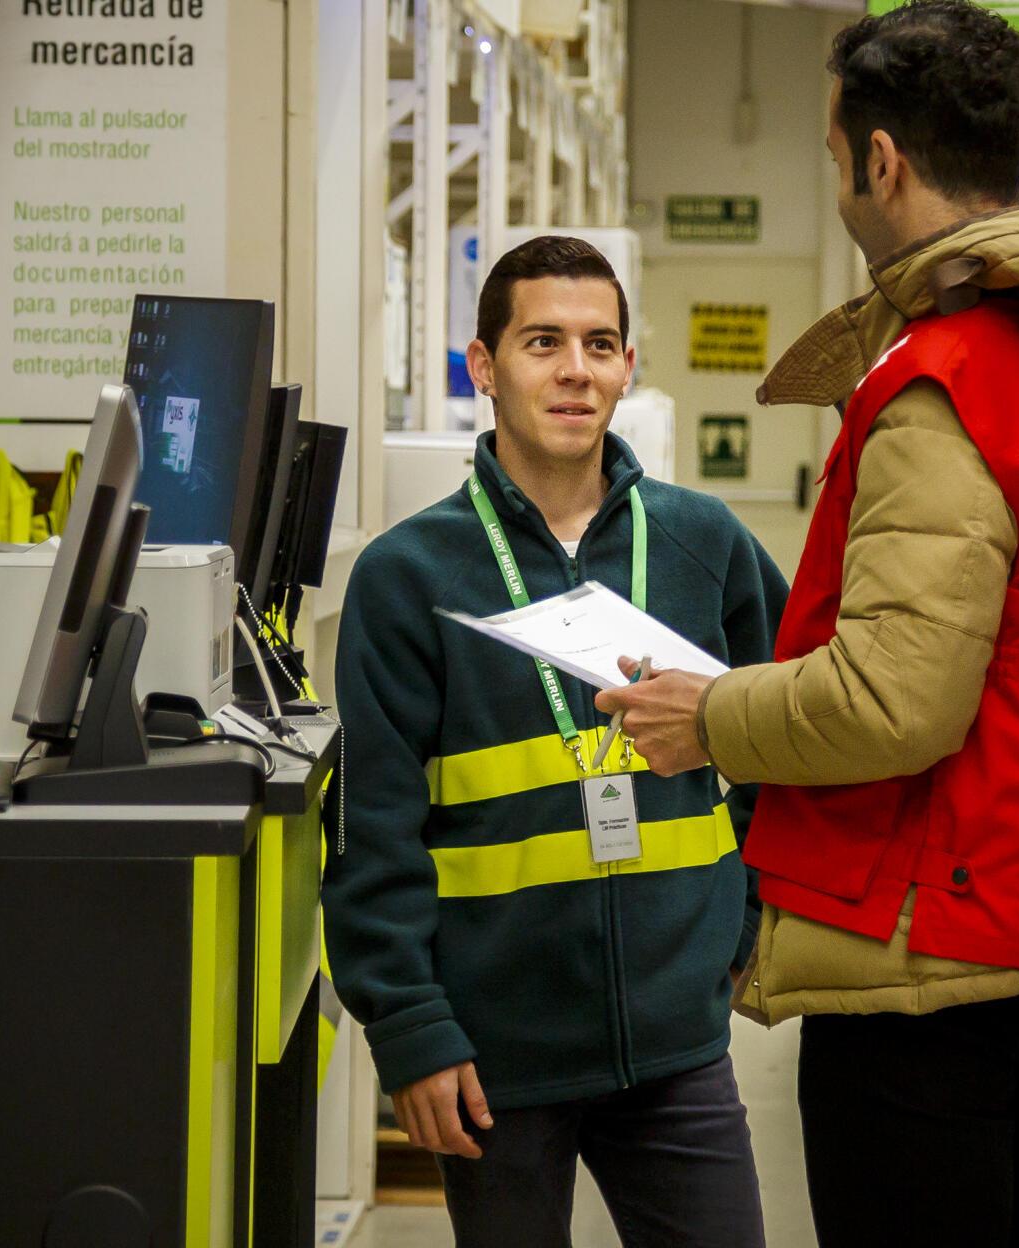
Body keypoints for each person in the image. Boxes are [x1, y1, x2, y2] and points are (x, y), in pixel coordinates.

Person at [594, 3, 1019, 1243]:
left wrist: (706, 717)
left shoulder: (950, 381)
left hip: (951, 956)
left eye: (833, 158)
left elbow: (895, 702)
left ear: (881, 160)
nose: (837, 180)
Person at [325, 235, 785, 1248]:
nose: (575, 368)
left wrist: (745, 921)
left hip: (677, 1045)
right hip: (493, 1061)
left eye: (599, 343)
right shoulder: (409, 579)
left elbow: (787, 734)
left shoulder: (705, 546)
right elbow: (374, 831)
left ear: (628, 368)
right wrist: (410, 1028)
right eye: (542, 342)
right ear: (483, 367)